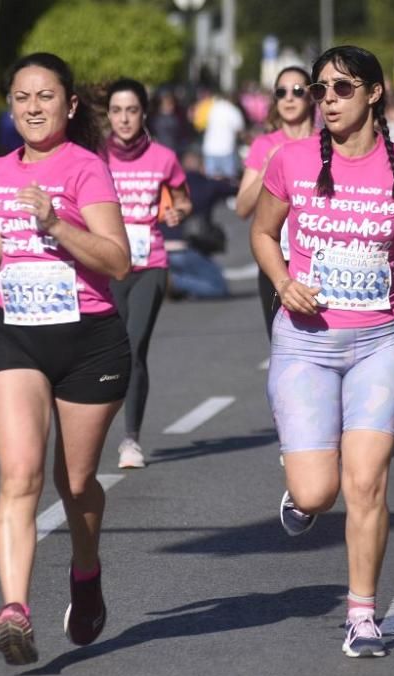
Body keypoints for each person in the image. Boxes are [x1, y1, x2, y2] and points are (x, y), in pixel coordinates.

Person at [251, 45, 394, 658]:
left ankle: (364, 616)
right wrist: (282, 280)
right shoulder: (288, 159)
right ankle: (301, 489)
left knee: (366, 483)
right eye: (320, 90)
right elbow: (263, 233)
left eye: (341, 88)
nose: (327, 100)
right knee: (320, 492)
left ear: (373, 93)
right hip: (305, 343)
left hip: (382, 341)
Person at [0, 52, 131, 665]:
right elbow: (2, 224)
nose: (32, 107)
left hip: (87, 340)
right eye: (21, 97)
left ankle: (85, 571)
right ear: (10, 105)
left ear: (69, 104)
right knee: (20, 473)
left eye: (45, 96)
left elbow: (117, 260)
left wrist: (57, 223)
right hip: (15, 335)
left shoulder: (87, 170)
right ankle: (14, 610)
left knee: (73, 483)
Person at [105, 78, 192, 468]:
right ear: (108, 115)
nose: (124, 119)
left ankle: (130, 440)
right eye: (117, 111)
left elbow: (183, 199)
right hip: (106, 266)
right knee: (110, 352)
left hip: (150, 265)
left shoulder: (163, 158)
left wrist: (177, 212)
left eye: (132, 110)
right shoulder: (94, 157)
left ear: (144, 114)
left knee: (134, 345)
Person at [235, 66, 316, 338]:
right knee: (282, 341)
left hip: (317, 257)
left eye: (297, 91)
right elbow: (242, 208)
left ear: (311, 97)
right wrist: (267, 169)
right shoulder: (264, 145)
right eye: (281, 92)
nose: (289, 98)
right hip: (276, 258)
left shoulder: (325, 143)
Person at [163, 148, 231, 300]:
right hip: (183, 246)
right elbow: (232, 188)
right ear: (202, 166)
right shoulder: (206, 184)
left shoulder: (166, 185)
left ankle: (177, 285)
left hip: (160, 248)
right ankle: (174, 282)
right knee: (218, 288)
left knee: (194, 268)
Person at [201, 90, 245, 181]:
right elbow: (240, 131)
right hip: (226, 150)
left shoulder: (213, 107)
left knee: (210, 181)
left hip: (210, 148)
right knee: (229, 183)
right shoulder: (234, 111)